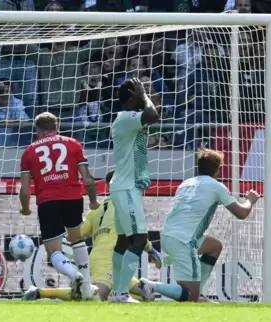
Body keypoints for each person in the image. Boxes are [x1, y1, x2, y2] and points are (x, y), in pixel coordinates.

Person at [140, 148, 260, 302]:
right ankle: (152, 286)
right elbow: (241, 213)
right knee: (190, 297)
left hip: (169, 236)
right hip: (184, 241)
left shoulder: (186, 183)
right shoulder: (216, 186)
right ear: (217, 169)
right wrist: (250, 200)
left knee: (214, 246)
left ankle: (199, 290)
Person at [22, 170, 162, 302]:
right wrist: (151, 251)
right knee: (94, 298)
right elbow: (137, 236)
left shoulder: (95, 210)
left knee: (146, 296)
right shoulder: (127, 205)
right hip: (108, 261)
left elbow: (78, 235)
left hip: (99, 259)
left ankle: (139, 288)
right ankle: (40, 292)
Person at [19, 112, 100, 300]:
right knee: (77, 240)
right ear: (56, 128)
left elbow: (25, 190)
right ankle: (86, 287)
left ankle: (74, 275)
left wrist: (25, 208)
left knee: (54, 251)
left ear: (37, 131)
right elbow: (87, 179)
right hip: (73, 198)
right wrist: (94, 200)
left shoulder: (29, 151)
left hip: (48, 200)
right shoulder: (73, 144)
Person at [108, 77, 159, 303]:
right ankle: (120, 293)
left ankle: (116, 292)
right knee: (139, 239)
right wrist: (144, 96)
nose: (145, 96)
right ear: (132, 98)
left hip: (124, 186)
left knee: (123, 242)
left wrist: (142, 96)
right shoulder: (127, 118)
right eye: (138, 93)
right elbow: (153, 115)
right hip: (126, 189)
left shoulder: (126, 119)